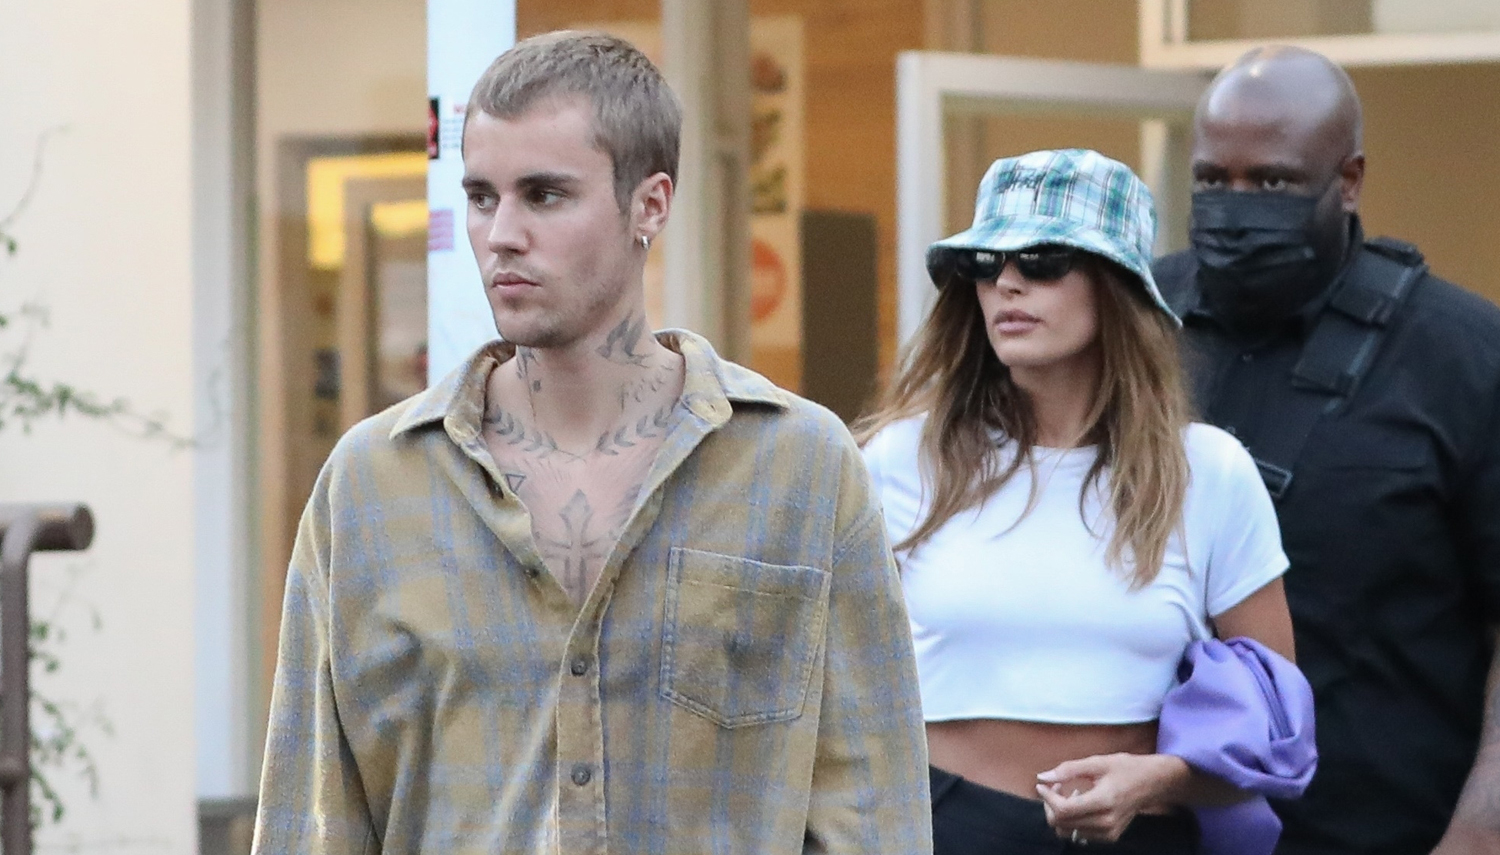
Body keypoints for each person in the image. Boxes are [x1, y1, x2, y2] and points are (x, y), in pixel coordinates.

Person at [251, 31, 931, 854]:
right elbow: (313, 813)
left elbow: (873, 811)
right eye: (481, 196)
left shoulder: (801, 468)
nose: (501, 233)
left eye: (544, 195)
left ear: (651, 205)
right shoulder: (370, 486)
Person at [857, 148, 1299, 855]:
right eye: (985, 262)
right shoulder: (901, 459)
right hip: (939, 827)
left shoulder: (1209, 471)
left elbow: (1275, 731)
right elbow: (827, 687)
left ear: (1115, 284)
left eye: (1043, 260)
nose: (1007, 282)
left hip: (1143, 834)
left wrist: (1158, 780)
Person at [1152, 45, 1500, 855]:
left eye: (1272, 183)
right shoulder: (1135, 326)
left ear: (1349, 180)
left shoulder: (1464, 356)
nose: (1237, 207)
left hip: (1383, 828)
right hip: (1147, 829)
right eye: (1212, 180)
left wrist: (1482, 829)